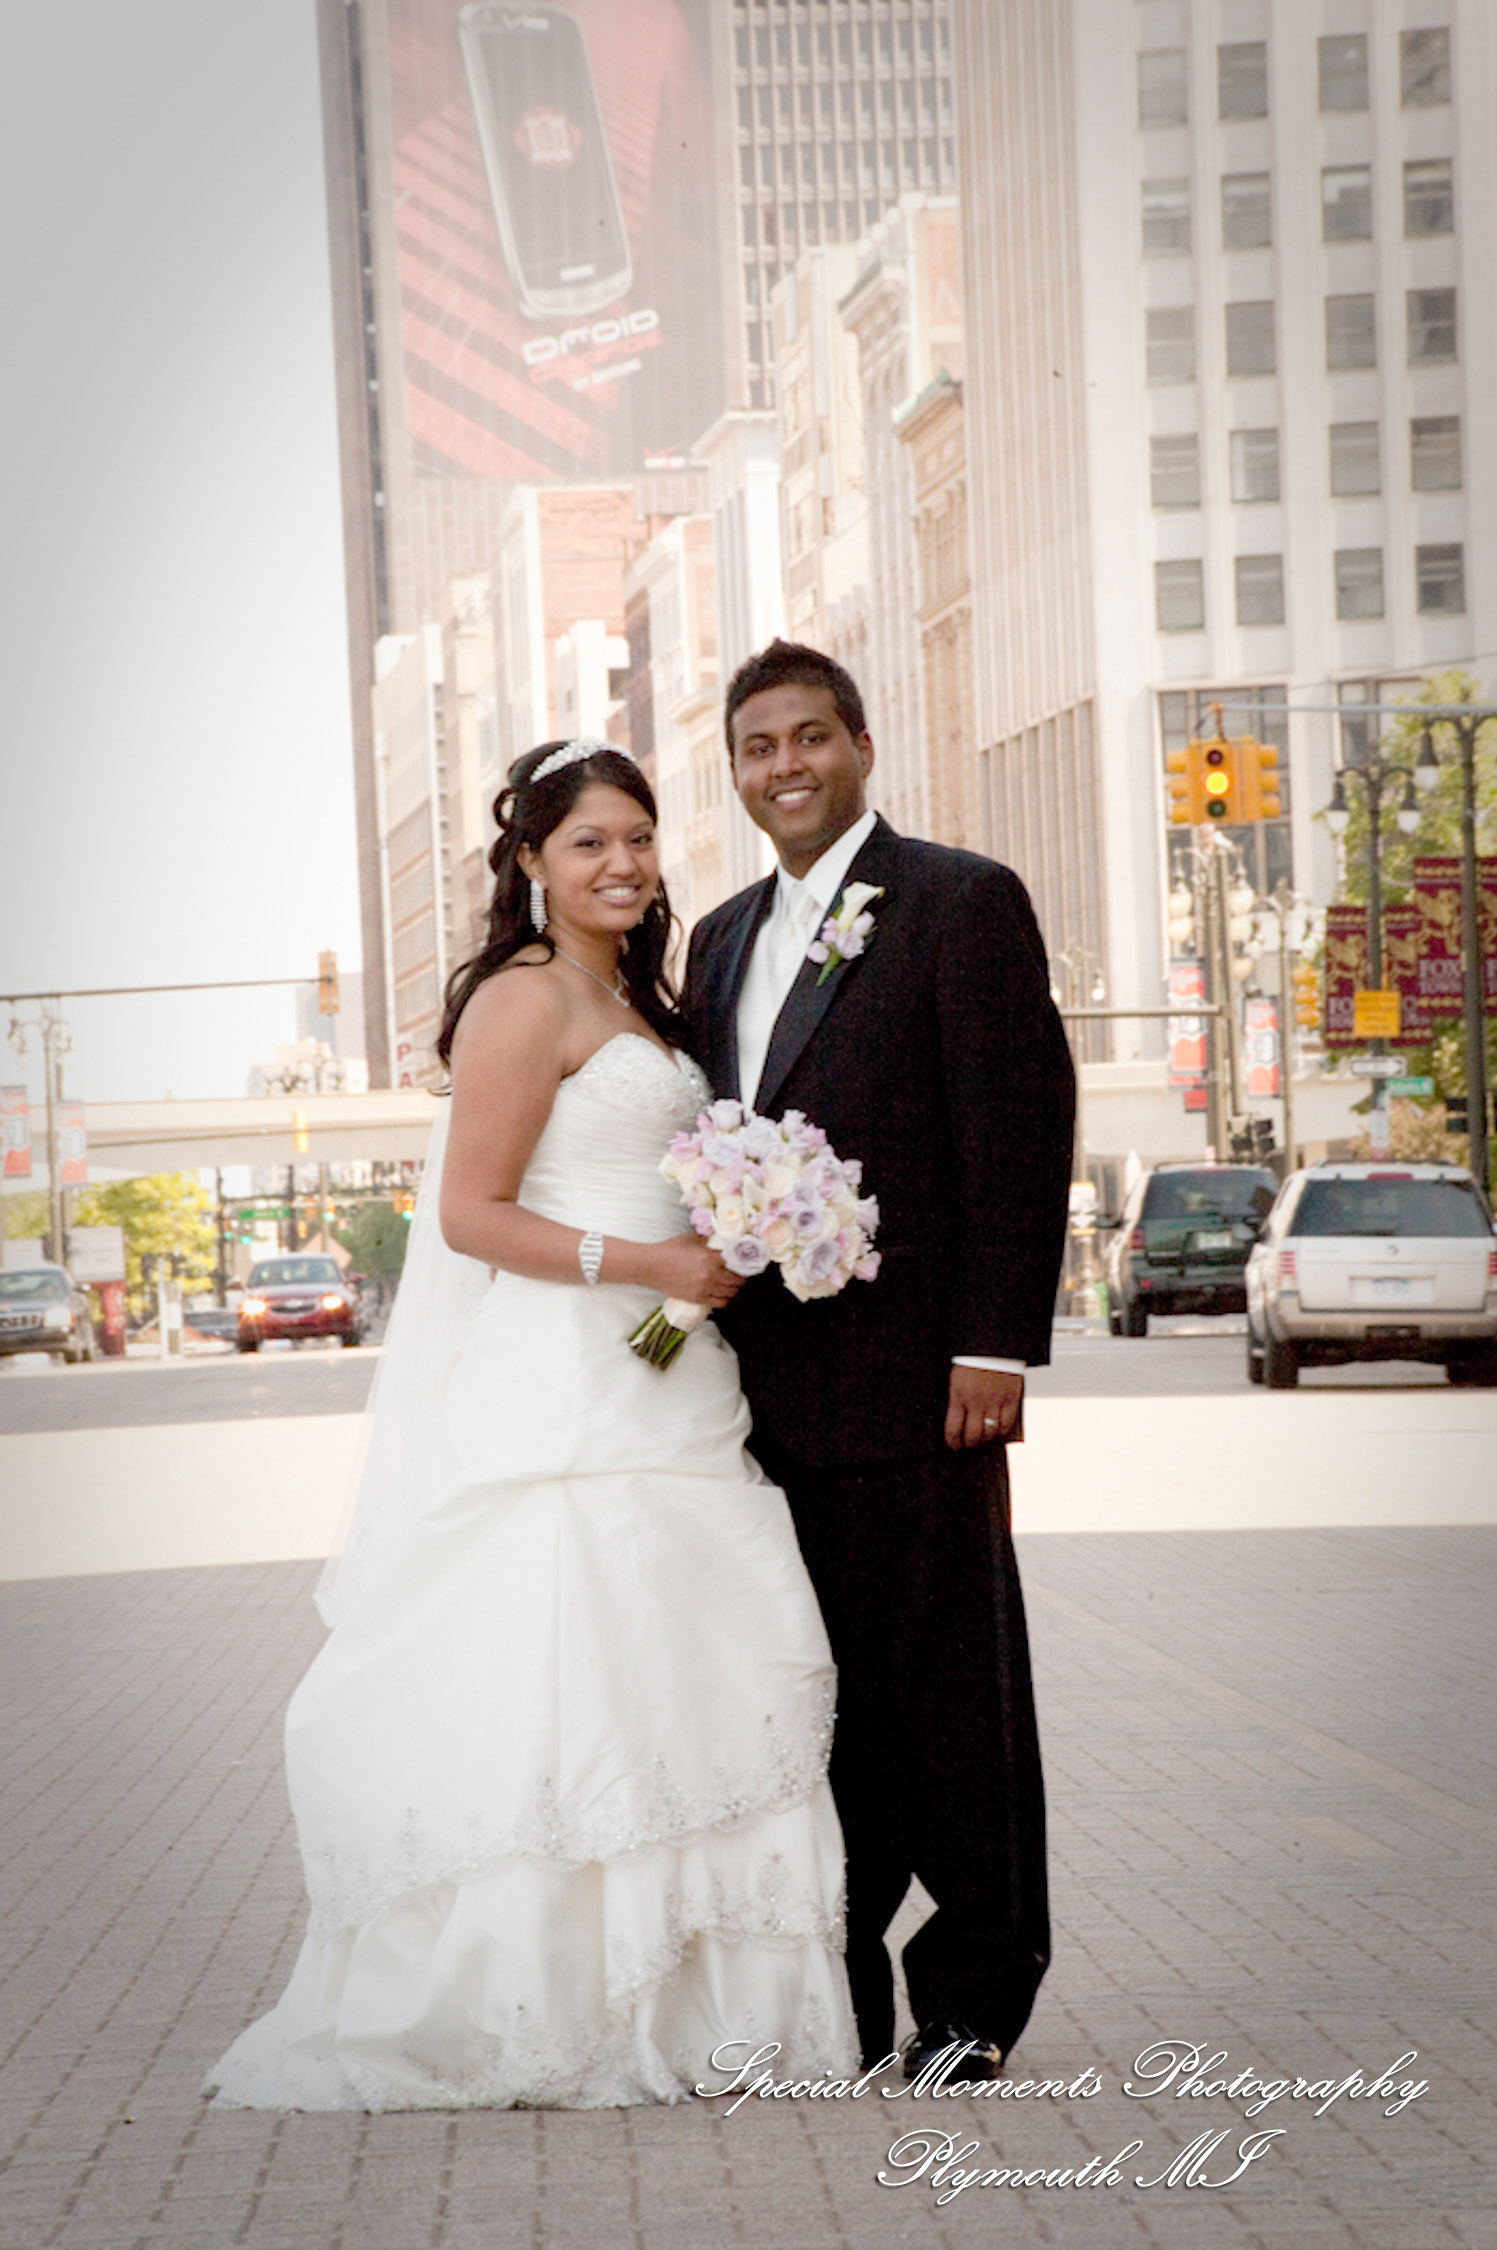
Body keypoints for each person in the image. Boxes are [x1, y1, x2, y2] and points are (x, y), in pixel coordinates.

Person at [204, 738, 857, 2111]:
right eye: (587, 843)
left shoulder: (636, 996)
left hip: (668, 1382)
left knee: (679, 1676)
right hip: (567, 1383)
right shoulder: (521, 998)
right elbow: (472, 1216)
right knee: (567, 1685)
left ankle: (693, 2001)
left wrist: (738, 1221)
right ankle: (552, 2000)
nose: (621, 862)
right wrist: (657, 1267)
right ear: (530, 862)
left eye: (638, 835)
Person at [682, 642, 1075, 2078]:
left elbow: (1016, 1129)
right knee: (815, 1698)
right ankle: (836, 1996)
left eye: (807, 738)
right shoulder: (717, 938)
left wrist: (993, 1347)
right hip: (769, 1401)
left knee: (951, 1693)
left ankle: (973, 1994)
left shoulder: (960, 902)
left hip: (925, 1389)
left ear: (860, 743)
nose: (783, 767)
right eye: (756, 747)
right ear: (733, 770)